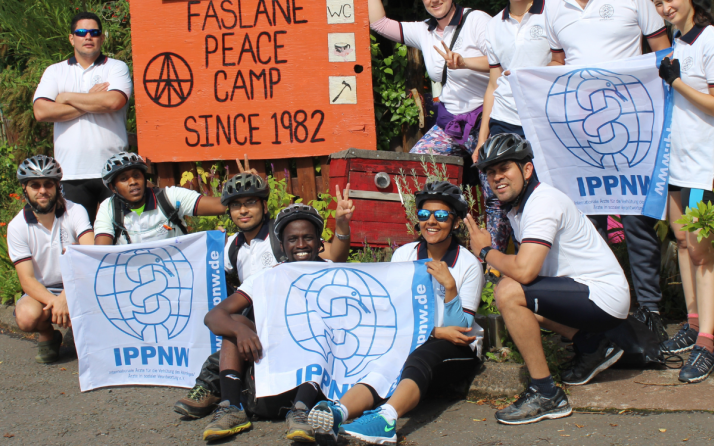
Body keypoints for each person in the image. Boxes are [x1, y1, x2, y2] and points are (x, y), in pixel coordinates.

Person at [543, 0, 672, 323]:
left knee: (636, 221)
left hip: (632, 124)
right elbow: (556, 64)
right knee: (587, 225)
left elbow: (662, 51)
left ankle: (649, 310)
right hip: (580, 132)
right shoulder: (552, 5)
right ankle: (597, 312)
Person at [465, 134, 630, 424]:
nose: (496, 177)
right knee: (516, 295)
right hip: (585, 293)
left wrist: (486, 251)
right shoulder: (520, 206)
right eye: (491, 172)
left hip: (602, 296)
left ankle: (546, 393)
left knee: (509, 293)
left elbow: (526, 272)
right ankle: (592, 345)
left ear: (527, 170)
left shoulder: (542, 203)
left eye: (504, 168)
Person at [307, 181, 484, 445]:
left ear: (455, 223)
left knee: (423, 353)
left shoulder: (468, 263)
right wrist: (432, 330)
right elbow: (391, 316)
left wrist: (450, 287)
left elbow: (460, 330)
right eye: (424, 215)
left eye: (441, 215)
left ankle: (387, 420)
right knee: (382, 360)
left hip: (455, 349)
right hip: (414, 338)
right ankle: (338, 411)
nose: (431, 221)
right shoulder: (404, 255)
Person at [353, 0, 507, 250]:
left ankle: (495, 260)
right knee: (416, 169)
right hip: (449, 122)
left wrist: (464, 62)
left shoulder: (476, 20)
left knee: (495, 191)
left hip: (483, 117)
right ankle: (438, 240)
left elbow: (498, 61)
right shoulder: (424, 31)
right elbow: (379, 23)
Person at [174, 173, 356, 419]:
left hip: (296, 318)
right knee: (235, 323)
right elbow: (219, 296)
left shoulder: (284, 235)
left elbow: (333, 257)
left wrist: (342, 227)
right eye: (236, 205)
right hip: (259, 318)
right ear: (228, 212)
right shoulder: (232, 246)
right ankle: (223, 396)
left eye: (250, 203)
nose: (243, 211)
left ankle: (210, 384)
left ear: (263, 205)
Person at [650, 0, 714, 383]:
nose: (666, 8)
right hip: (676, 162)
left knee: (703, 252)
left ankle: (706, 343)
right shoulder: (678, 42)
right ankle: (691, 321)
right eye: (658, 3)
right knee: (682, 243)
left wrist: (678, 82)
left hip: (704, 166)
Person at [201, 204, 347, 442]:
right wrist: (240, 330)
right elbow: (214, 316)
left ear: (320, 242)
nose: (300, 245)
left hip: (316, 381)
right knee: (234, 321)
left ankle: (301, 411)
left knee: (323, 326)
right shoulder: (266, 276)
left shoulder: (334, 273)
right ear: (281, 245)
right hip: (266, 381)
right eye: (293, 239)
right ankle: (231, 406)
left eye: (308, 237)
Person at [473, 0, 553, 252]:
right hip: (504, 123)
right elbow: (493, 84)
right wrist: (483, 139)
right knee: (508, 198)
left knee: (542, 193)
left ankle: (544, 263)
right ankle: (516, 265)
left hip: (543, 120)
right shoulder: (494, 25)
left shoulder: (552, 13)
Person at [32, 11, 133, 223]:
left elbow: (113, 101)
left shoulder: (116, 67)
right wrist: (91, 99)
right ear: (72, 38)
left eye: (94, 32)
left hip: (114, 170)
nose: (88, 37)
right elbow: (41, 111)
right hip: (71, 172)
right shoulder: (55, 71)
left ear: (102, 38)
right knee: (77, 243)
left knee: (117, 237)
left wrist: (65, 98)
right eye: (81, 32)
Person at [6, 155, 94, 364]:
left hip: (78, 284)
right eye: (35, 185)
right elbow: (27, 280)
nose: (42, 191)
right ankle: (48, 335)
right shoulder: (17, 226)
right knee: (27, 317)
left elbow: (90, 256)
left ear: (57, 186)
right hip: (44, 291)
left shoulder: (75, 211)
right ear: (25, 189)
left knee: (89, 346)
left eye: (48, 184)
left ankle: (80, 332)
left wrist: (66, 296)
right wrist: (56, 303)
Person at [93, 151, 228, 245]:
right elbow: (102, 253)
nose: (132, 182)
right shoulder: (109, 208)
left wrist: (243, 192)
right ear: (112, 187)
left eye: (137, 176)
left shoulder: (169, 197)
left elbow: (222, 205)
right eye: (123, 179)